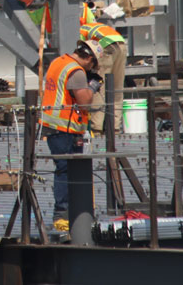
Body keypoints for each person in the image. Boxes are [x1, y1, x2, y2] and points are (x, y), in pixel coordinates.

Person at [40, 39, 104, 232]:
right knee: (67, 171)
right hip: (65, 129)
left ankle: (68, 213)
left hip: (52, 125)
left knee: (63, 170)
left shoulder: (59, 62)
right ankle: (64, 215)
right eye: (94, 64)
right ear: (90, 58)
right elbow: (84, 102)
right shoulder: (76, 72)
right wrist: (92, 86)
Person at [80, 3, 128, 133]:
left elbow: (82, 55)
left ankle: (97, 128)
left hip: (106, 47)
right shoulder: (95, 26)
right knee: (117, 88)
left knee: (99, 87)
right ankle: (115, 127)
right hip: (121, 45)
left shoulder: (80, 31)